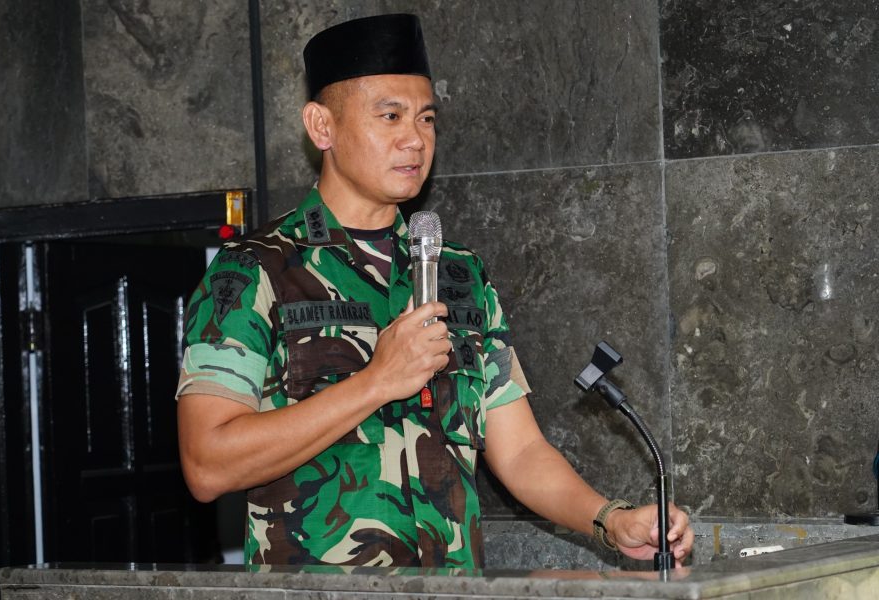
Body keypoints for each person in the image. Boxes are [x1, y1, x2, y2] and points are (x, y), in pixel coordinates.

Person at [176, 13, 694, 568]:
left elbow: (520, 450)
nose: (415, 139)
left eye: (426, 118)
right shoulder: (255, 271)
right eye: (390, 116)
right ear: (322, 126)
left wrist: (610, 519)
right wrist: (375, 382)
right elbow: (207, 465)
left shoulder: (459, 275)